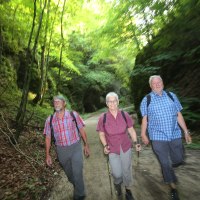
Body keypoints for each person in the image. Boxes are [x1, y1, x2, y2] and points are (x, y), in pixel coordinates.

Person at [140, 75, 192, 200]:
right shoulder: (147, 99)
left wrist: (185, 131)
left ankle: (175, 161)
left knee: (178, 159)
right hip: (157, 136)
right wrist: (143, 134)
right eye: (154, 83)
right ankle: (172, 186)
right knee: (164, 162)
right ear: (151, 85)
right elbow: (145, 119)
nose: (157, 84)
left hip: (174, 133)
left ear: (163, 83)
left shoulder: (171, 96)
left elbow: (178, 114)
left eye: (159, 82)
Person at [43, 95, 90, 200]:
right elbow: (48, 137)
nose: (56, 103)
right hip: (61, 150)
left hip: (75, 147)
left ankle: (79, 195)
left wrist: (86, 144)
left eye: (59, 101)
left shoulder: (73, 115)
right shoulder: (50, 120)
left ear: (64, 103)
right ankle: (78, 186)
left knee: (77, 172)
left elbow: (81, 129)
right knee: (70, 175)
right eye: (55, 102)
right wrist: (47, 155)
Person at [96, 92, 141, 200]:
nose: (112, 103)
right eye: (110, 101)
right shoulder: (103, 118)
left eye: (114, 100)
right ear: (107, 103)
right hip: (112, 149)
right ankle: (117, 184)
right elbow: (101, 134)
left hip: (125, 146)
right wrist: (105, 145)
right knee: (117, 174)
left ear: (118, 101)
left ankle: (128, 190)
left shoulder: (125, 115)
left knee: (126, 170)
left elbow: (131, 130)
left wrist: (136, 143)